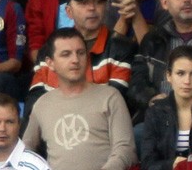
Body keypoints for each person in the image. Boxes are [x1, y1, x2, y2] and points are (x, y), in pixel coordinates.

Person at [22, 27, 137, 169]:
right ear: (50, 63)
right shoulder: (42, 104)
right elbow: (26, 151)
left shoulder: (110, 96)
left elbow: (125, 149)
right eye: (66, 54)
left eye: (81, 53)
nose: (75, 60)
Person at [27, 0, 136, 107]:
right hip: (53, 119)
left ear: (105, 7)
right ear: (69, 11)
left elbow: (115, 103)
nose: (92, 8)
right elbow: (33, 104)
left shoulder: (121, 48)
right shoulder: (49, 50)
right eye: (84, 2)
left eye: (98, 2)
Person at [141, 46, 192, 170]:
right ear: (168, 76)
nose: (187, 81)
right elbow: (147, 163)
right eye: (180, 73)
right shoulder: (155, 112)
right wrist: (171, 165)